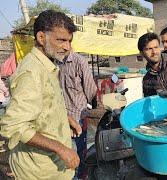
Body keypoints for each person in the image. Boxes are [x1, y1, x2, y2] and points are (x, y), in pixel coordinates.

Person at [0, 10, 79, 179]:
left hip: (53, 167)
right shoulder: (31, 72)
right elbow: (14, 126)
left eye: (69, 41)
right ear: (41, 38)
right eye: (61, 40)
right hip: (38, 172)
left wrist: (63, 118)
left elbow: (42, 105)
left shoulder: (46, 66)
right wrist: (60, 148)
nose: (67, 47)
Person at [58, 51, 97, 179]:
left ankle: (81, 176)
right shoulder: (55, 62)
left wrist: (92, 107)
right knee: (64, 152)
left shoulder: (79, 61)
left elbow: (91, 90)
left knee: (80, 151)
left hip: (78, 116)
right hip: (60, 118)